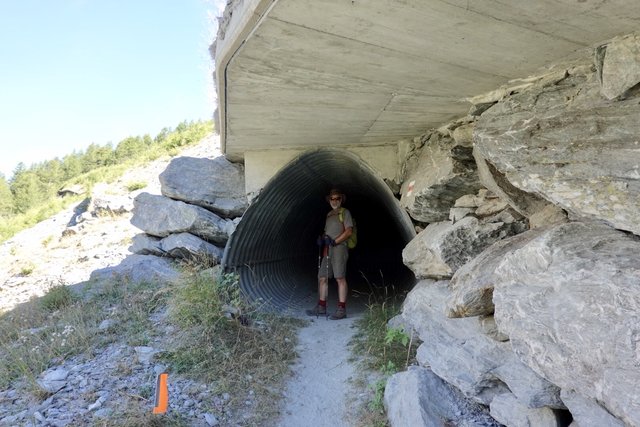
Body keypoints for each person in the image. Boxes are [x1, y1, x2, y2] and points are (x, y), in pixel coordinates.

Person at [307, 188, 354, 320]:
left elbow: (349, 231)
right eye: (332, 199)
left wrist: (334, 242)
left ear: (341, 200)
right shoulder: (329, 215)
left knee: (340, 278)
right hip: (328, 249)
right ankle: (321, 307)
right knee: (322, 277)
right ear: (329, 200)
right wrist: (322, 239)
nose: (334, 201)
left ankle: (342, 309)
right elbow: (327, 233)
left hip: (339, 248)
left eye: (337, 198)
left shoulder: (345, 213)